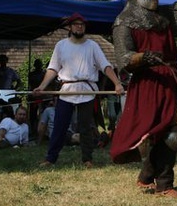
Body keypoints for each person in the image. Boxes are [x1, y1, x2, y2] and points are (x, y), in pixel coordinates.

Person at [110, 0, 177, 198]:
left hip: (171, 78)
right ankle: (152, 177)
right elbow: (124, 59)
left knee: (174, 130)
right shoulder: (124, 21)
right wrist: (143, 57)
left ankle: (161, 182)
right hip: (147, 81)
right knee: (151, 133)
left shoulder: (163, 16)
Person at [35, 13, 124, 168]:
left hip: (86, 91)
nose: (79, 27)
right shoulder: (61, 45)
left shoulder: (92, 46)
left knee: (86, 128)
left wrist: (117, 84)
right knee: (60, 125)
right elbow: (53, 69)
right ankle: (51, 158)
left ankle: (87, 159)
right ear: (70, 27)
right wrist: (42, 86)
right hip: (66, 90)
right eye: (76, 24)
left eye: (82, 25)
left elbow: (105, 66)